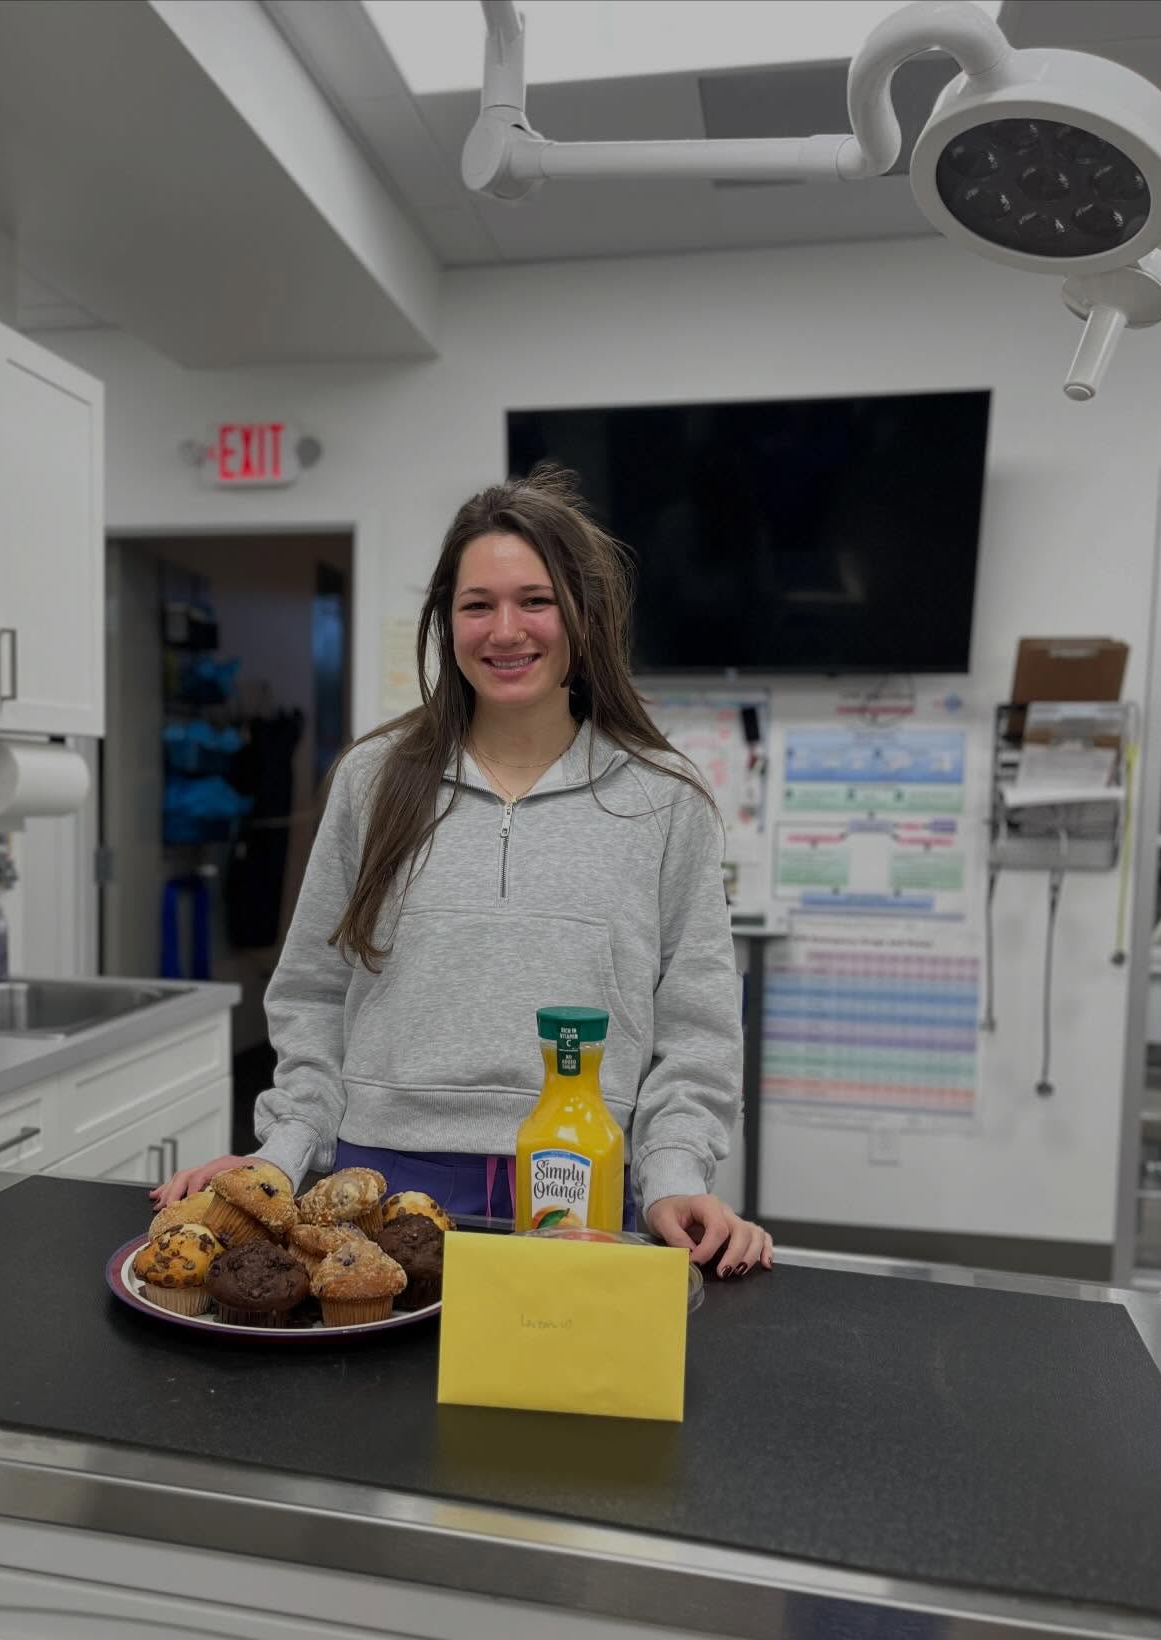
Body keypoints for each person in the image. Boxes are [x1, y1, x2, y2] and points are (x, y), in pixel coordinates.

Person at [153, 467, 772, 1276]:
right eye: (477, 605)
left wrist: (676, 1173)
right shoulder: (373, 780)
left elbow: (697, 1029)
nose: (505, 629)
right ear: (447, 622)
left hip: (583, 1184)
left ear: (584, 616)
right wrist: (282, 1151)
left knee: (558, 1400)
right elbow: (312, 991)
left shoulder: (666, 800)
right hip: (379, 1180)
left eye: (536, 601)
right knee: (378, 1402)